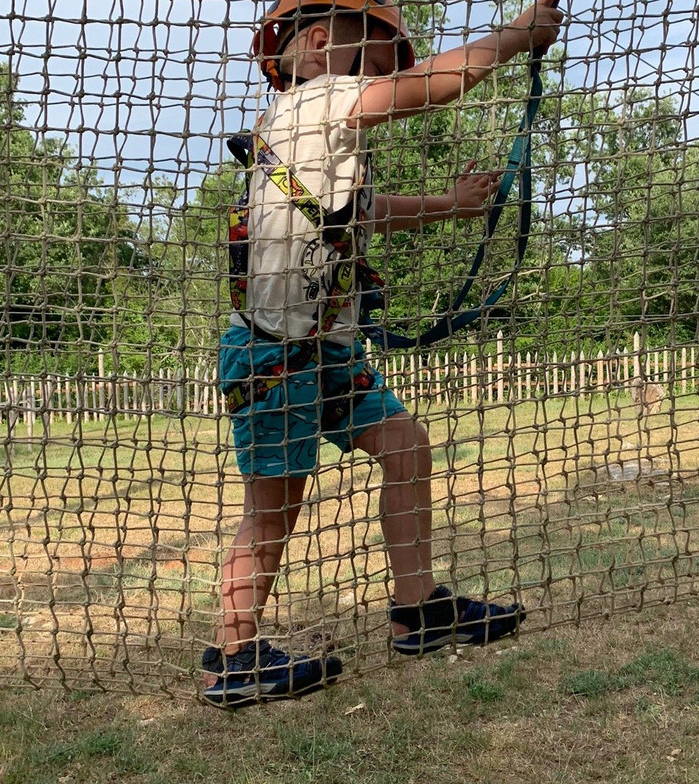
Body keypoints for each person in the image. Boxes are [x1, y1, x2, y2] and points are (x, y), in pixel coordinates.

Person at [201, 0, 565, 708]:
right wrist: (519, 37)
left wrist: (450, 204)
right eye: (373, 63)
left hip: (324, 351)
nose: (380, 82)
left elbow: (369, 213)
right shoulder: (315, 97)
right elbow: (431, 85)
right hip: (277, 354)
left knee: (405, 445)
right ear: (316, 45)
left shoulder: (317, 147)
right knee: (274, 507)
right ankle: (231, 657)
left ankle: (417, 609)